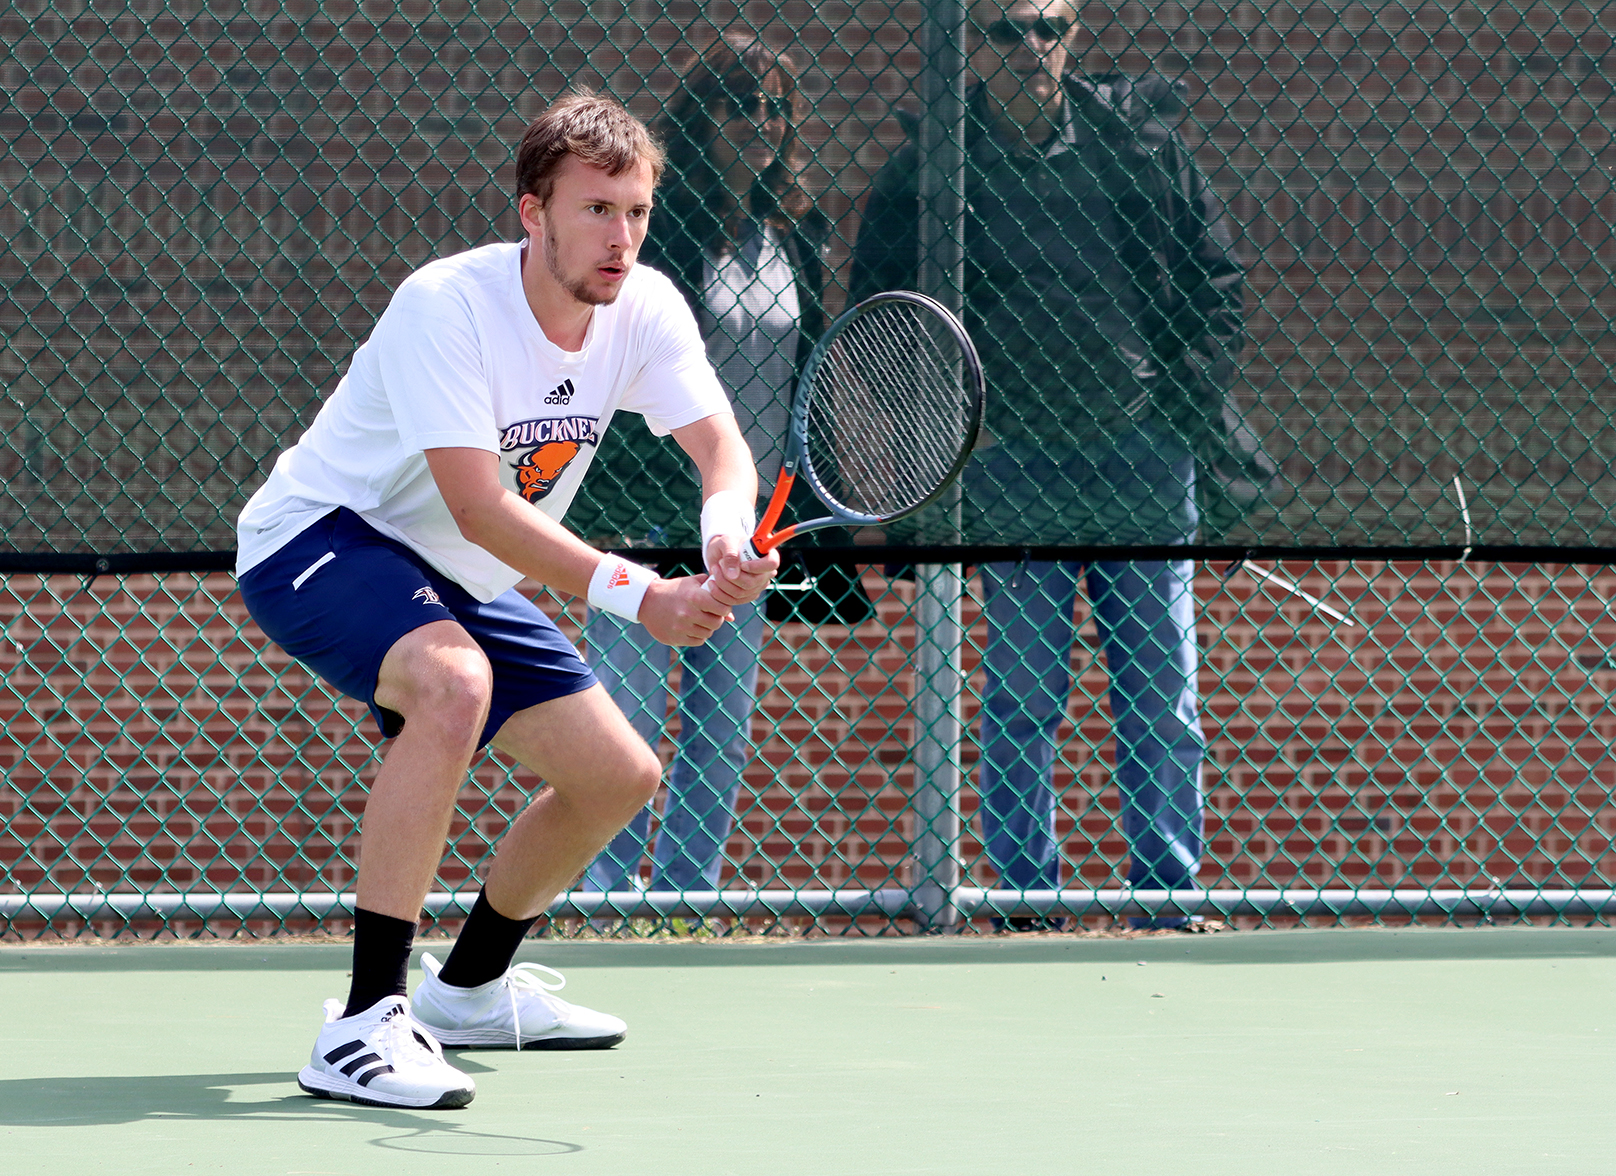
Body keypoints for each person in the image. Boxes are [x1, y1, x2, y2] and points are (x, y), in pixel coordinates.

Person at [234, 91, 779, 1110]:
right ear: (531, 212)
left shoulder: (645, 309)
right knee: (452, 684)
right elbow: (478, 507)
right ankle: (360, 1022)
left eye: (636, 211)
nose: (620, 237)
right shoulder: (444, 306)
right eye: (594, 210)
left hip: (453, 572)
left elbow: (720, 450)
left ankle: (470, 987)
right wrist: (640, 595)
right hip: (317, 539)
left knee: (616, 775)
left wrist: (719, 540)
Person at [850, 0, 1245, 931]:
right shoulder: (931, 169)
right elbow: (880, 308)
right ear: (969, 49)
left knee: (1160, 695)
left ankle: (1168, 896)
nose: (1031, 46)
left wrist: (1177, 406)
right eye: (1004, 30)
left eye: (1050, 26)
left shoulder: (1141, 147)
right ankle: (1029, 900)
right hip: (1012, 468)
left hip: (1140, 463)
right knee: (1024, 695)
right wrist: (950, 427)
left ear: (1076, 34)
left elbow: (1216, 280)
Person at [565, 34, 827, 902]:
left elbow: (808, 367)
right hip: (647, 512)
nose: (759, 123)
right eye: (738, 105)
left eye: (775, 108)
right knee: (626, 721)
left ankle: (684, 901)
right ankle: (601, 899)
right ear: (700, 119)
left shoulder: (796, 231)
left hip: (745, 525)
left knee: (720, 726)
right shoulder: (653, 237)